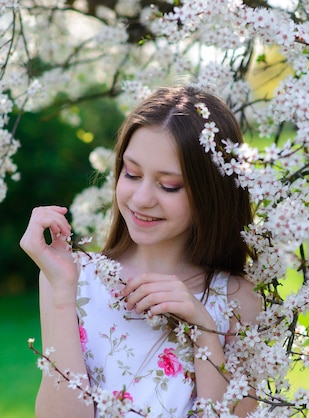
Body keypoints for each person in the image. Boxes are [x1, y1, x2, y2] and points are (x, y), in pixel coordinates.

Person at [20, 86, 262, 417]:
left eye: (169, 185)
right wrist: (62, 294)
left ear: (211, 192)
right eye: (132, 174)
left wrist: (203, 329)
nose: (142, 198)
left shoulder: (237, 299)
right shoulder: (72, 278)